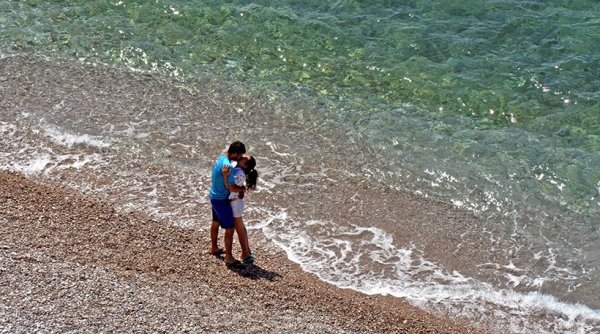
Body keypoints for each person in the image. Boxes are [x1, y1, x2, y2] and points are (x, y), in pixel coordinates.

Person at [209, 141, 246, 267]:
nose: (239, 158)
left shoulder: (221, 157)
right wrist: (242, 189)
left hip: (213, 194)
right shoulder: (228, 167)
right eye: (239, 156)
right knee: (230, 228)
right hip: (221, 199)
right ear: (235, 153)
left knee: (215, 222)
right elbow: (232, 187)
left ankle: (214, 247)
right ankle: (229, 257)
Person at [227, 154, 258, 264]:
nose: (243, 157)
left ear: (245, 165)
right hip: (237, 202)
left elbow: (231, 187)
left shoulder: (239, 172)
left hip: (235, 204)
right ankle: (247, 250)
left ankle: (245, 254)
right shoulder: (238, 170)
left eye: (245, 158)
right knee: (241, 227)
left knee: (239, 228)